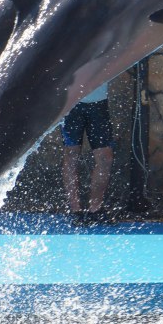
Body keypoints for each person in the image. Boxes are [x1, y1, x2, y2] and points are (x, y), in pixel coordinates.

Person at [61, 82, 114, 223]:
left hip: (99, 104)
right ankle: (75, 210)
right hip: (71, 103)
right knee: (71, 155)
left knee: (105, 158)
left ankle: (95, 209)